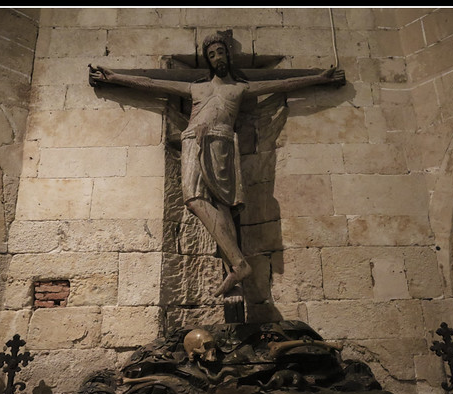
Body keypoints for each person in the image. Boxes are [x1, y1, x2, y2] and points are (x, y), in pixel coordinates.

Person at [89, 33, 345, 298]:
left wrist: (319, 78)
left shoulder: (239, 89)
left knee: (222, 205)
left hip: (221, 143)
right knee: (194, 200)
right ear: (208, 61)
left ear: (227, 55)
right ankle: (238, 264)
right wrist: (115, 78)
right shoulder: (196, 89)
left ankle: (237, 265)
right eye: (211, 55)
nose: (216, 58)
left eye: (220, 52)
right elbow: (153, 83)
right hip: (193, 139)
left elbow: (283, 84)